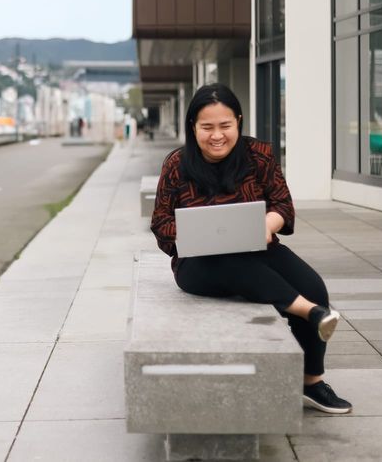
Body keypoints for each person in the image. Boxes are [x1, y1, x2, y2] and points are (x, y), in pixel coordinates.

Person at [150, 83, 352, 414]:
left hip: (257, 247)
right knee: (228, 261)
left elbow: (283, 205)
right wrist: (195, 234)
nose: (217, 135)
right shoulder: (177, 163)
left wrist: (267, 225)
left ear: (239, 122)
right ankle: (310, 312)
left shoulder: (259, 154)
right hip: (198, 262)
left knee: (314, 286)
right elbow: (160, 223)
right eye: (207, 127)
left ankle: (311, 382)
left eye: (225, 125)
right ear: (193, 127)